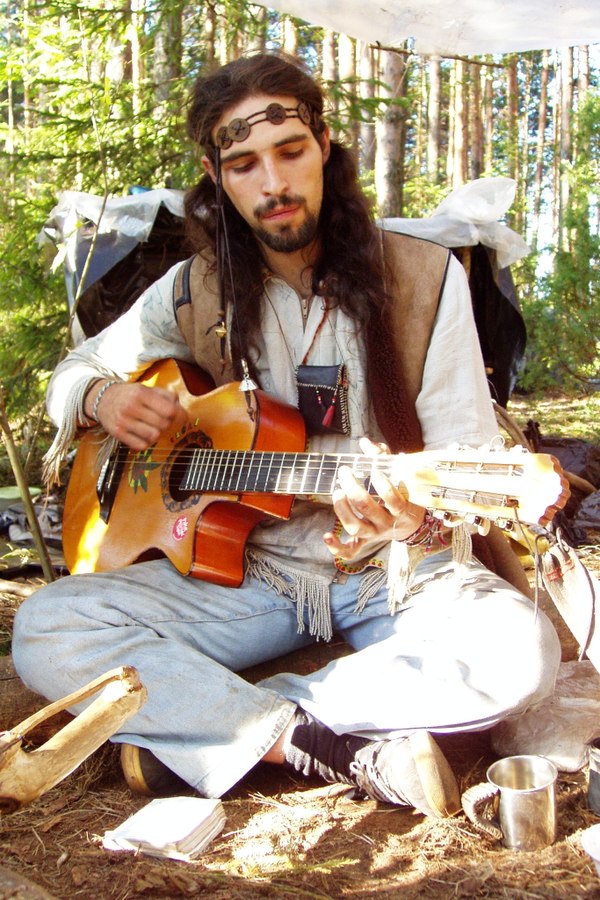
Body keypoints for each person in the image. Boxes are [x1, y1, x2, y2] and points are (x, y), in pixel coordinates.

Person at [12, 52, 561, 819]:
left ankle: (217, 729)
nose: (272, 184)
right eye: (243, 164)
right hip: (245, 575)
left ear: (325, 145)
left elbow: (460, 462)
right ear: (216, 174)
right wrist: (103, 397)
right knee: (46, 624)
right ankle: (321, 744)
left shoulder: (425, 279)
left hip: (394, 570)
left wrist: (414, 516)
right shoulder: (193, 289)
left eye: (290, 151)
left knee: (518, 649)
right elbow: (72, 370)